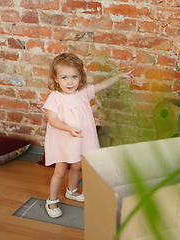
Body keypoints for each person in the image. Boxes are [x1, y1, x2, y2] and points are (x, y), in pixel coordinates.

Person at [42, 53, 134, 218]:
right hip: (63, 141)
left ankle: (72, 190)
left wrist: (119, 76)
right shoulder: (55, 98)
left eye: (74, 77)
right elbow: (52, 120)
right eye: (64, 77)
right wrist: (68, 129)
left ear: (80, 77)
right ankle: (52, 200)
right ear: (56, 79)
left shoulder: (83, 93)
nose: (70, 82)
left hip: (81, 140)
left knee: (77, 166)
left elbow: (103, 85)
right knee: (60, 171)